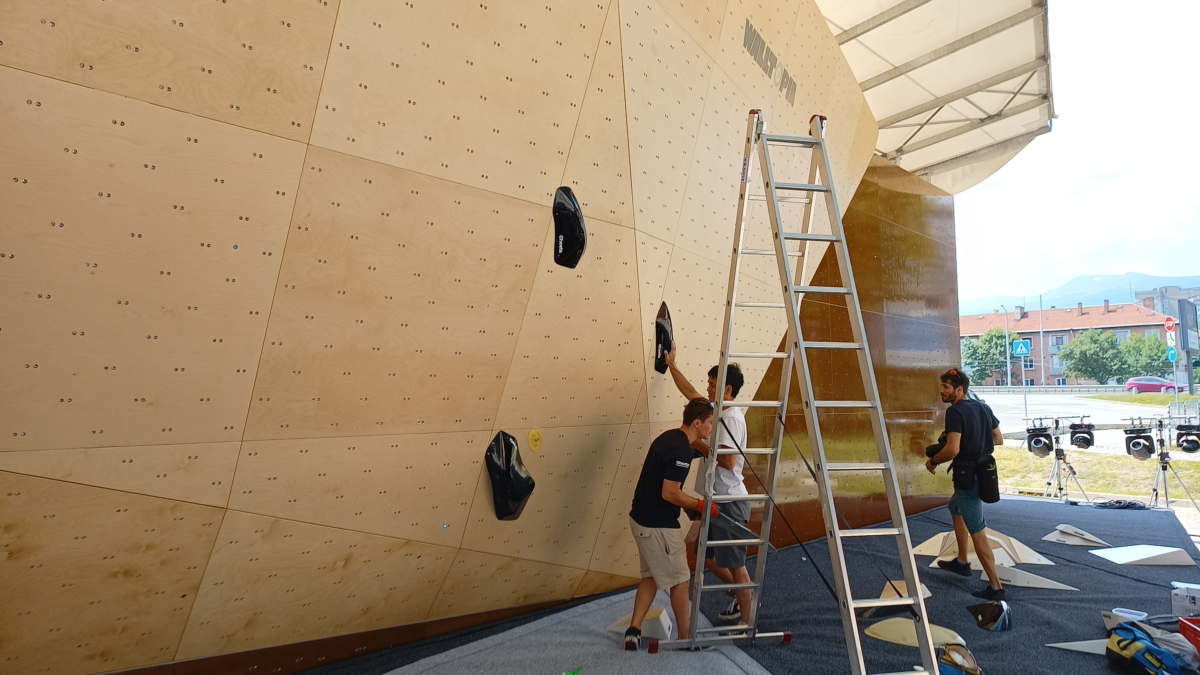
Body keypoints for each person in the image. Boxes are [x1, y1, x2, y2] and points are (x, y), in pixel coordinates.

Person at [664, 346, 752, 626]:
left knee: (737, 565)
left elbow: (727, 461)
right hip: (714, 500)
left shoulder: (731, 418)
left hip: (730, 503)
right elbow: (690, 392)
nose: (707, 389)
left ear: (727, 390)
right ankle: (740, 597)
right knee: (705, 554)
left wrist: (696, 442)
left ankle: (746, 623)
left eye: (713, 386)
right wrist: (672, 365)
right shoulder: (715, 409)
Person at [624, 397, 716, 650]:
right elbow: (670, 493)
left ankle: (633, 631)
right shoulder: (681, 452)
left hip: (640, 518)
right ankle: (685, 638)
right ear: (697, 423)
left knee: (650, 576)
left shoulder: (670, 438)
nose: (712, 428)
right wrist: (699, 505)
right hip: (658, 526)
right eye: (710, 423)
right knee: (680, 578)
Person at [927, 368, 1006, 600]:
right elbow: (998, 439)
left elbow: (952, 450)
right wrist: (976, 439)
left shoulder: (955, 412)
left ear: (959, 390)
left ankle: (996, 587)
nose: (940, 391)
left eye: (946, 387)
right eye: (941, 386)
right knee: (955, 508)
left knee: (978, 531)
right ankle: (962, 560)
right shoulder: (983, 407)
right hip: (984, 473)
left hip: (967, 478)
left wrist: (932, 460)